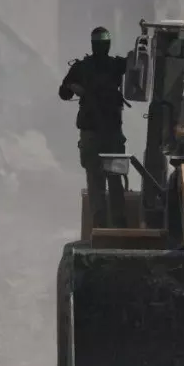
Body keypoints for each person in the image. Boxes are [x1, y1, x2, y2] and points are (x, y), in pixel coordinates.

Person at [59, 26, 129, 228]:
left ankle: (103, 225)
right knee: (111, 179)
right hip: (108, 133)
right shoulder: (115, 65)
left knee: (98, 180)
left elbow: (64, 93)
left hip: (97, 134)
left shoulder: (83, 67)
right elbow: (64, 92)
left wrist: (73, 87)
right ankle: (116, 225)